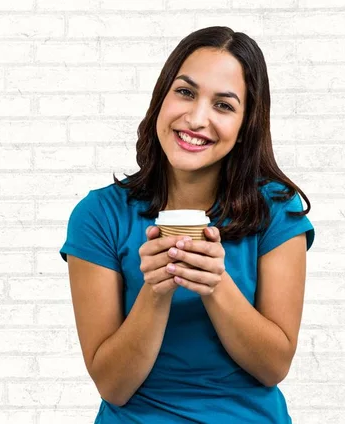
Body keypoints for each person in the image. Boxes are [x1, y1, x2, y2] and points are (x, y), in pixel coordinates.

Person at [59, 26, 314, 423]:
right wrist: (156, 290)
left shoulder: (277, 210)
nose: (197, 118)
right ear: (162, 96)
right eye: (186, 92)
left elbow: (274, 366)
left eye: (224, 106)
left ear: (246, 126)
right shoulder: (99, 215)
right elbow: (113, 385)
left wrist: (215, 283)